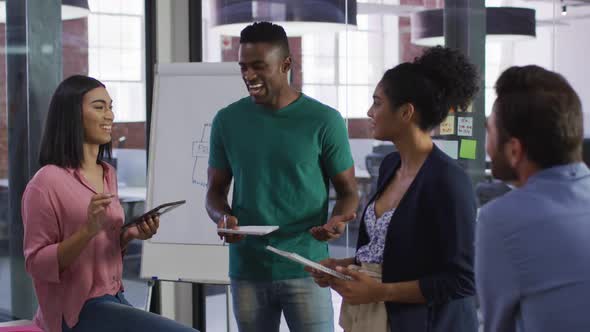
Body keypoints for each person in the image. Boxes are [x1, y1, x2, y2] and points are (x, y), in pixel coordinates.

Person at [308, 46, 480, 332]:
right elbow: (390, 253)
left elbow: (462, 279)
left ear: (405, 112)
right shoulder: (390, 166)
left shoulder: (448, 180)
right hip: (376, 318)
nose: (369, 112)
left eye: (377, 103)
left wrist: (380, 292)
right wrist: (342, 266)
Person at [206, 22, 359, 332]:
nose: (248, 75)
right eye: (244, 67)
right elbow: (214, 192)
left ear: (286, 64)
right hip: (247, 269)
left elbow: (348, 191)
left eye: (259, 66)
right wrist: (222, 218)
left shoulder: (324, 120)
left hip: (307, 267)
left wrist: (337, 221)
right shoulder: (227, 120)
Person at [22, 75, 198, 332]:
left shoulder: (107, 174)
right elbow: (35, 263)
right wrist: (86, 230)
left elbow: (100, 248)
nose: (110, 115)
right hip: (75, 310)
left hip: (113, 297)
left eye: (110, 106)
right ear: (72, 115)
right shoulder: (46, 182)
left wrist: (127, 235)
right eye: (99, 107)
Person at [476, 65, 590, 331]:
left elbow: (497, 326)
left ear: (514, 150)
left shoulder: (499, 220)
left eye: (489, 132)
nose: (487, 145)